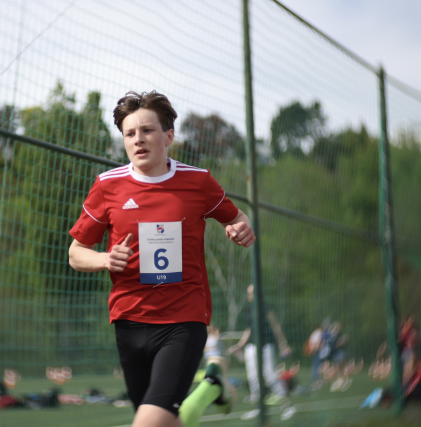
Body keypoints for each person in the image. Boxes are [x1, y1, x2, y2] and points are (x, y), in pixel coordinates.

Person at [68, 90, 255, 427]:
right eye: (129, 133)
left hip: (184, 318)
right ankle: (212, 385)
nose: (138, 139)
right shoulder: (107, 186)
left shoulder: (198, 181)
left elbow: (237, 217)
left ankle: (211, 384)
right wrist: (106, 259)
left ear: (168, 136)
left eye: (147, 130)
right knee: (164, 421)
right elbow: (75, 253)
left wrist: (240, 228)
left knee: (150, 421)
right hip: (128, 321)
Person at [226, 284, 288, 405]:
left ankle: (282, 396)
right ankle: (256, 396)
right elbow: (248, 330)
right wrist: (239, 345)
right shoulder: (249, 309)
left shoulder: (266, 308)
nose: (249, 296)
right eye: (248, 293)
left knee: (269, 373)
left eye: (251, 293)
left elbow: (275, 326)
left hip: (266, 345)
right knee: (252, 374)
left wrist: (283, 344)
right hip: (251, 346)